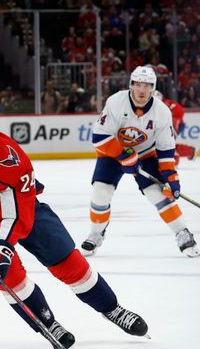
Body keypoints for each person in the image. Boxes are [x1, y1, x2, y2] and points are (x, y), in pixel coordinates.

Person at [0, 103, 149, 349]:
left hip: (21, 211)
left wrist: (1, 246)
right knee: (6, 274)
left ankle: (111, 308)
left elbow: (14, 215)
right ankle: (48, 324)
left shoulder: (11, 159)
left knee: (65, 258)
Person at [81, 66, 198, 257]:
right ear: (131, 85)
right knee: (101, 192)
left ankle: (182, 232)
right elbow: (99, 137)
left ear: (153, 88)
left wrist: (171, 177)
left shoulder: (162, 112)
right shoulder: (116, 102)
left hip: (145, 154)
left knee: (157, 193)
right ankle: (96, 232)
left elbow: (166, 150)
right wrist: (124, 156)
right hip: (112, 153)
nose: (142, 90)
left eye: (147, 85)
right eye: (138, 84)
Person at [156, 90, 195, 164]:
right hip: (164, 127)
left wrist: (171, 114)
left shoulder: (168, 103)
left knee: (167, 144)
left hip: (175, 125)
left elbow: (180, 111)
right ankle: (189, 151)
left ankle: (174, 158)